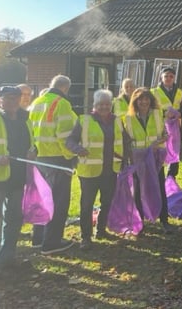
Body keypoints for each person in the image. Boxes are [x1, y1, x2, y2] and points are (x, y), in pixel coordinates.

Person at [66, 89, 124, 248]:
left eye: (107, 104)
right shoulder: (84, 120)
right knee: (87, 204)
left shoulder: (117, 120)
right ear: (94, 105)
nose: (104, 107)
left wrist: (125, 158)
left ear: (111, 104)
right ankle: (86, 237)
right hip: (89, 172)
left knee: (107, 201)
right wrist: (78, 149)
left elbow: (124, 141)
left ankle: (101, 230)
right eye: (100, 104)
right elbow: (70, 141)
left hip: (110, 169)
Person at [29, 75, 78, 254]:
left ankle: (38, 238)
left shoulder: (37, 101)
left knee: (42, 199)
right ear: (66, 88)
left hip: (38, 157)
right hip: (57, 158)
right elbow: (65, 136)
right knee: (58, 201)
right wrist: (70, 158)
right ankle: (52, 242)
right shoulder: (62, 103)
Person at [0, 86, 34, 275]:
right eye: (8, 98)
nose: (14, 101)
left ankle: (7, 257)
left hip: (17, 178)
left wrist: (34, 152)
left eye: (16, 97)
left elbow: (32, 143)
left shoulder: (26, 119)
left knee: (14, 219)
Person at [122, 87, 171, 233]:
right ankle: (140, 220)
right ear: (135, 102)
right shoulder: (128, 119)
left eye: (147, 99)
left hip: (155, 158)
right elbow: (126, 140)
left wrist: (162, 140)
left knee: (159, 187)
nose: (144, 102)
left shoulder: (157, 115)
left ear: (151, 101)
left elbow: (165, 133)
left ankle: (164, 219)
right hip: (138, 159)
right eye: (141, 99)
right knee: (138, 190)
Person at [151, 67, 182, 178]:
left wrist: (180, 113)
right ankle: (158, 174)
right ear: (161, 77)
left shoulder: (181, 93)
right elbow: (150, 109)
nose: (168, 78)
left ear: (174, 78)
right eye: (166, 76)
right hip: (159, 126)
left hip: (175, 126)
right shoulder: (153, 92)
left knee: (175, 150)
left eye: (171, 76)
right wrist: (164, 113)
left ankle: (172, 176)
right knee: (161, 150)